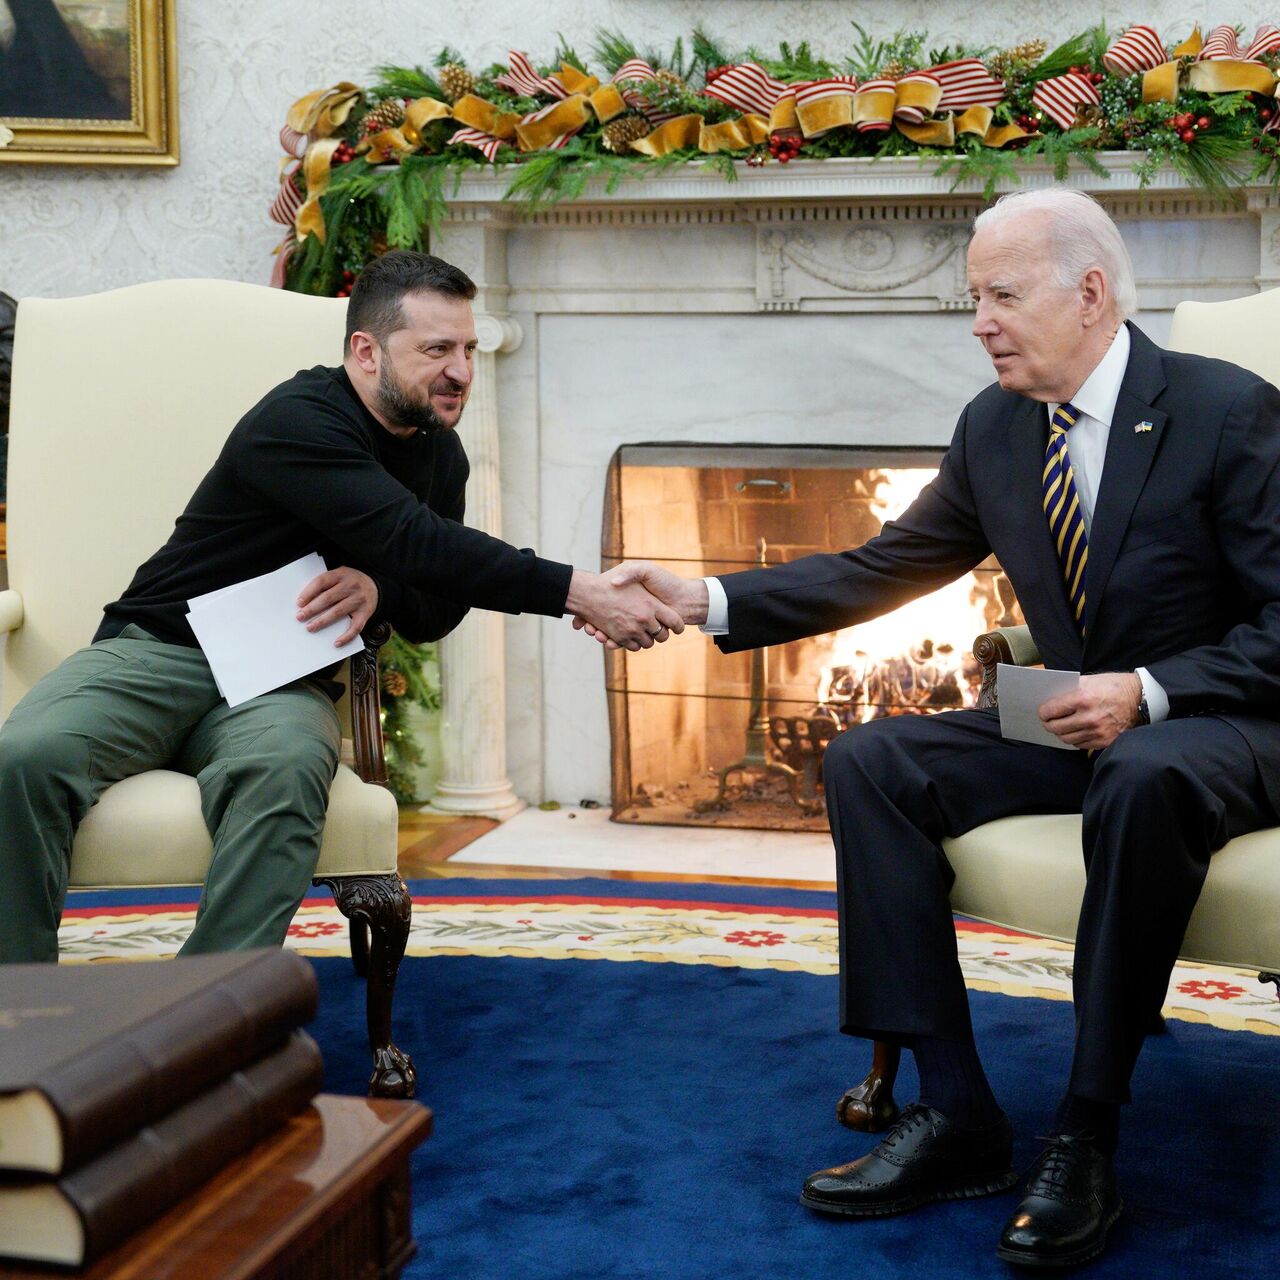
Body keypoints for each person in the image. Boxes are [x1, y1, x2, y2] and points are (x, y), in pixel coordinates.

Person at [582, 187, 1280, 1268]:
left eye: (1000, 294)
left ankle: (1085, 1130)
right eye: (973, 297)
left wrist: (1144, 687)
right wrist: (703, 599)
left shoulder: (1224, 409)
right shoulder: (996, 425)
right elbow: (885, 565)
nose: (977, 321)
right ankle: (957, 1111)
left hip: (1221, 719)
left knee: (1140, 772)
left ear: (1088, 292)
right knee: (872, 758)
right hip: (1082, 717)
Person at [0, 249, 680, 964]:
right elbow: (411, 538)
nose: (462, 371)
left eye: (471, 350)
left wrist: (382, 589)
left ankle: (202, 1006)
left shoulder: (440, 456)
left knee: (288, 772)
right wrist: (583, 591)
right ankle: (22, 1010)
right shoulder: (299, 418)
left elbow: (435, 606)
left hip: (281, 682)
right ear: (365, 350)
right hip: (161, 648)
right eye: (437, 349)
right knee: (23, 756)